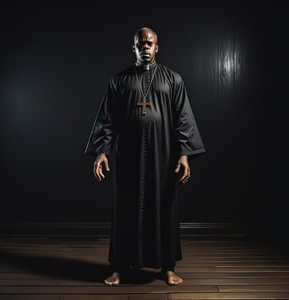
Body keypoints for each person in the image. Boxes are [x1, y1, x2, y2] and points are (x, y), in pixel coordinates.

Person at [85, 27, 206, 286]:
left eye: (150, 43)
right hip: (128, 156)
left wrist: (184, 155)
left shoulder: (173, 79)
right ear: (134, 48)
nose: (146, 47)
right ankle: (119, 266)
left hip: (163, 154)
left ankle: (167, 267)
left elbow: (184, 119)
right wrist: (101, 152)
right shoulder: (119, 81)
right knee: (125, 209)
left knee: (164, 208)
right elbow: (107, 119)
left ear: (157, 47)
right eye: (141, 44)